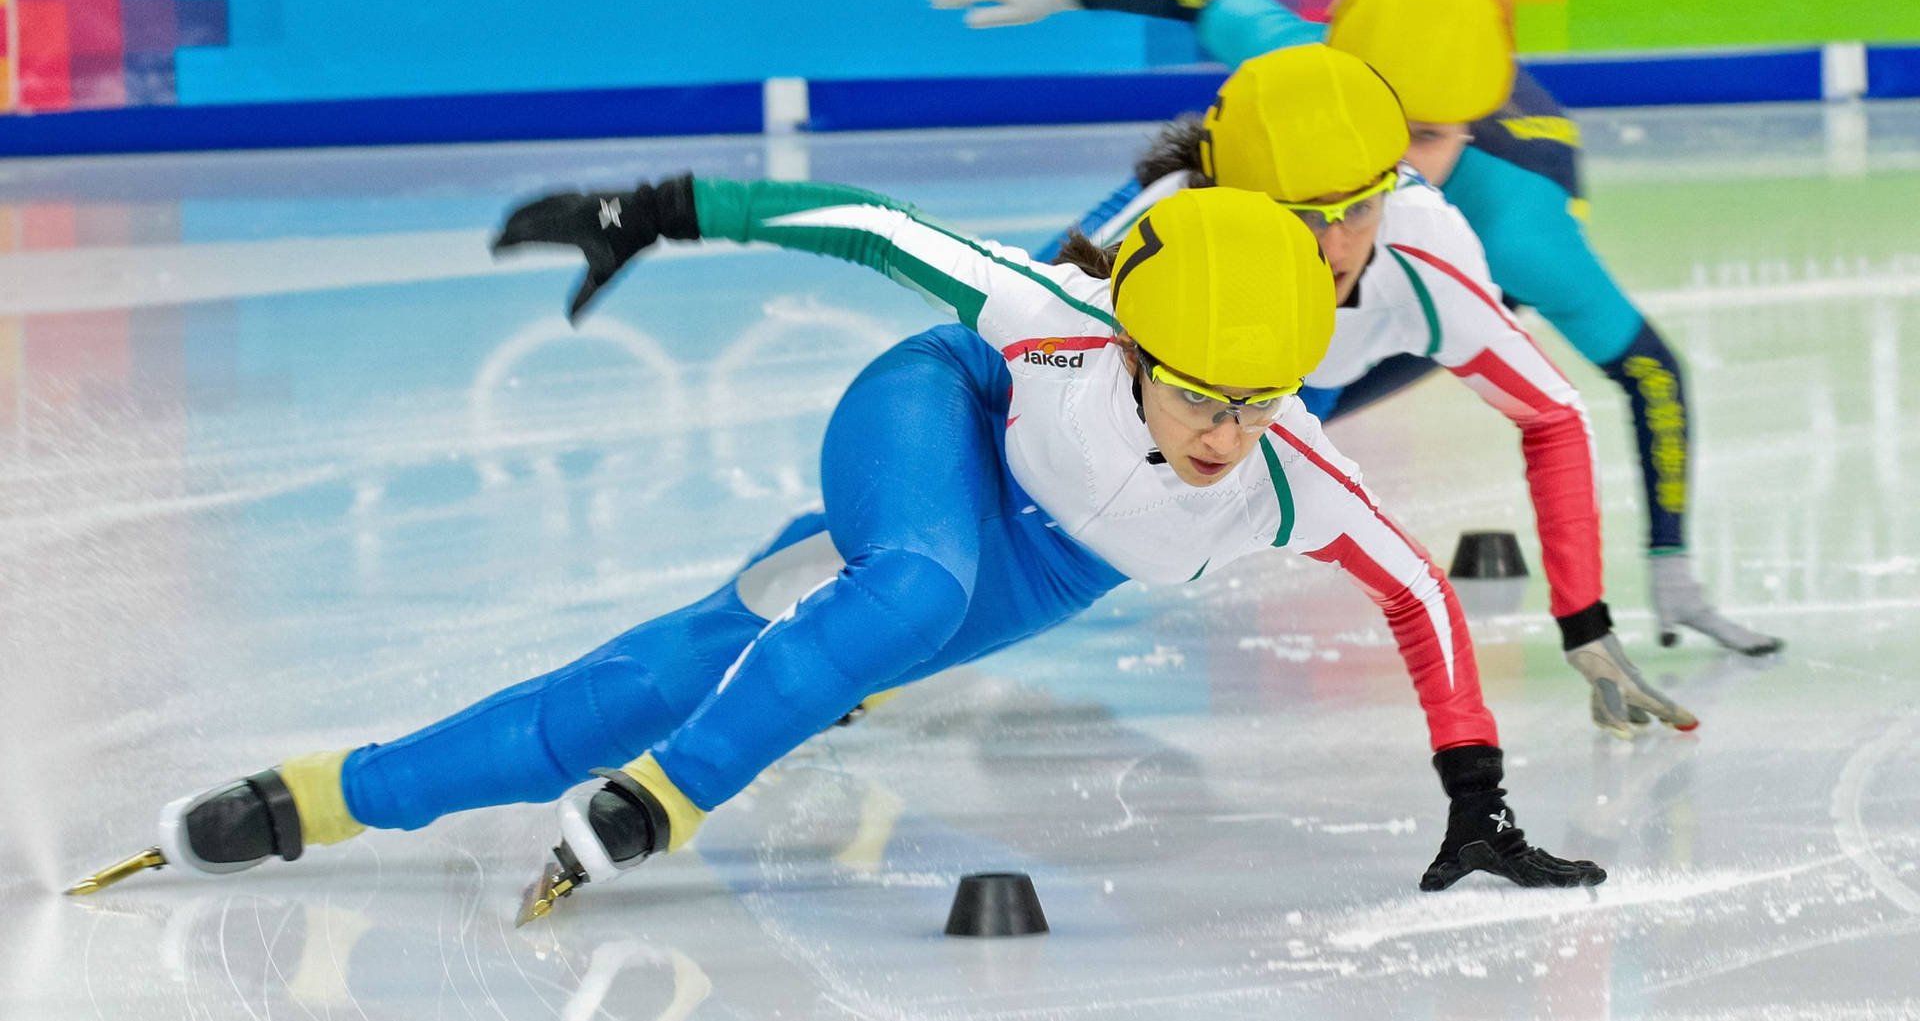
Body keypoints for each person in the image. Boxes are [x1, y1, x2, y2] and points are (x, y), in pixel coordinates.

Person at [67, 162, 1604, 921]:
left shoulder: (1290, 478)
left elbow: (1421, 599)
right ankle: (668, 803)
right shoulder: (1049, 320)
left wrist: (1477, 796)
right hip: (931, 425)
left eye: (1255, 403)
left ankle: (312, 799)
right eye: (1199, 393)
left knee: (653, 681)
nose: (1223, 432)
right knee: (909, 589)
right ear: (1137, 344)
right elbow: (870, 224)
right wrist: (656, 207)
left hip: (1027, 574)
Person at [933, 0, 1781, 658]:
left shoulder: (1516, 235)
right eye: (1389, 124)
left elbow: (1648, 371)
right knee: (1044, 340)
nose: (1383, 158)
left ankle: (912, 631)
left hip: (1425, 288)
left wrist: (1671, 558)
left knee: (1172, 457)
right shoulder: (1304, 78)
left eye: (1425, 138)